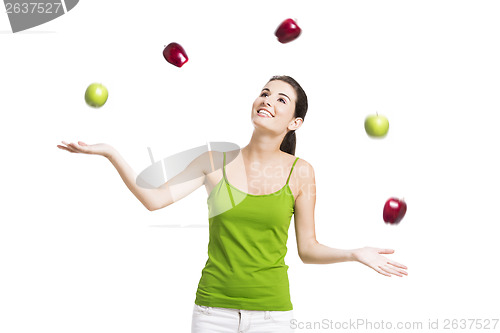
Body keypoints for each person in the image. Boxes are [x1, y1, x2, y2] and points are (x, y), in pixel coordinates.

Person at [57, 75, 408, 333]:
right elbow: (154, 199)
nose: (267, 100)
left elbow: (308, 248)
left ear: (295, 123)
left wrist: (353, 253)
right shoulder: (215, 161)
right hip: (213, 312)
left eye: (281, 100)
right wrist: (110, 153)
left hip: (272, 315)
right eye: (264, 93)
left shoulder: (301, 173)